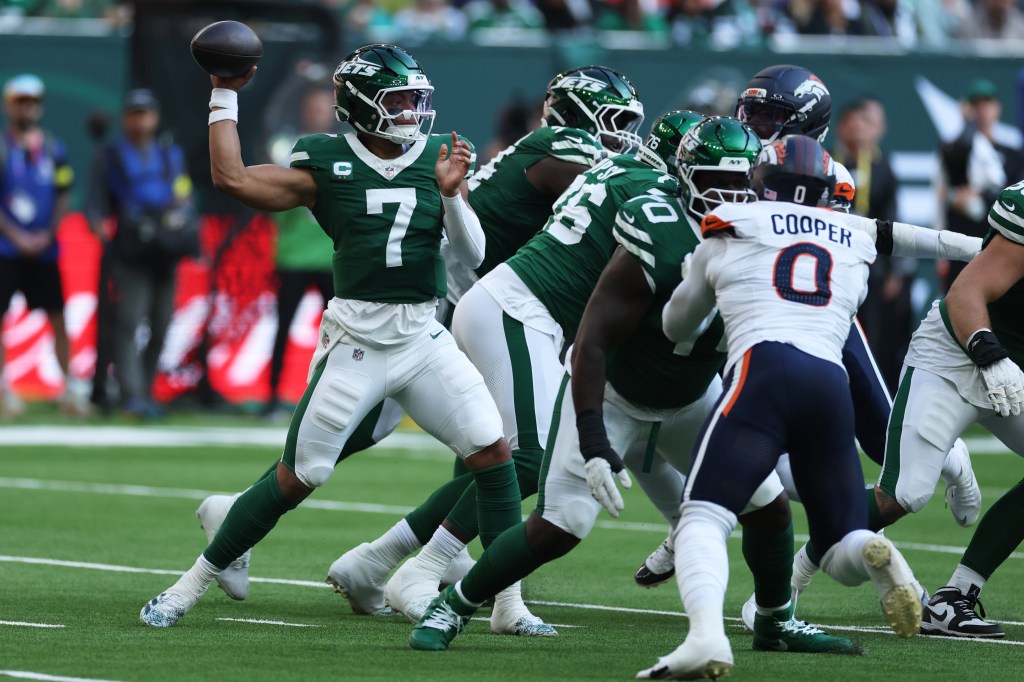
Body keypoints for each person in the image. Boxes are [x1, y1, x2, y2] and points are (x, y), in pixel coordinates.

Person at [407, 118, 855, 656]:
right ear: (684, 176)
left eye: (743, 185)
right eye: (716, 182)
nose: (731, 197)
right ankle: (455, 603)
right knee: (563, 523)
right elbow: (592, 340)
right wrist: (595, 438)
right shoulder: (656, 225)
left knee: (768, 504)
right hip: (616, 392)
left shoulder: (766, 236)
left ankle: (775, 620)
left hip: (690, 397)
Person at [139, 43, 522, 627]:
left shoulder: (438, 155)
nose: (411, 112)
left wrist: (450, 194)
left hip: (423, 335)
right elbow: (232, 179)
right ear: (362, 104)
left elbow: (473, 255)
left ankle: (508, 605)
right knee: (301, 475)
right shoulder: (324, 159)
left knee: (495, 454)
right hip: (359, 339)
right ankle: (186, 587)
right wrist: (224, 94)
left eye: (417, 99)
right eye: (398, 99)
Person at [327, 66, 644, 633]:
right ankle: (403, 565)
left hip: (483, 302)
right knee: (512, 455)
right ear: (579, 114)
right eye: (616, 121)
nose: (623, 135)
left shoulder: (564, 154)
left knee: (490, 451)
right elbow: (613, 195)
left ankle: (441, 576)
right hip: (462, 303)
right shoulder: (559, 148)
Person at [641, 135, 921, 679]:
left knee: (704, 514)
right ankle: (875, 550)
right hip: (829, 386)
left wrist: (705, 283)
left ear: (760, 182)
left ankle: (704, 637)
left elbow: (676, 326)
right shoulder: (852, 244)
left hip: (763, 374)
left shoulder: (729, 226)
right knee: (841, 541)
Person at [865, 181, 1024, 638]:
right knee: (902, 497)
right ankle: (786, 576)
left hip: (1014, 365)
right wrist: (990, 354)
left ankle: (955, 597)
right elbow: (965, 293)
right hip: (956, 352)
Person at [85, 88, 196, 420]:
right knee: (129, 321)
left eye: (145, 113)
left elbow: (183, 193)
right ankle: (131, 394)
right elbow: (95, 203)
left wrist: (179, 218)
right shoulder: (111, 155)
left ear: (155, 117)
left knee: (161, 322)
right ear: (125, 118)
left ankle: (145, 391)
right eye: (134, 113)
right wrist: (103, 233)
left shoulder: (168, 155)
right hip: (131, 248)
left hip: (164, 246)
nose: (140, 119)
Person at [0, 73, 87, 418]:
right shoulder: (3, 147)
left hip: (44, 248)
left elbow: (63, 192)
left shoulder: (53, 148)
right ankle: (5, 390)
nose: (28, 108)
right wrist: (17, 236)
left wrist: (48, 233)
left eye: (33, 102)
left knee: (57, 317)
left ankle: (71, 390)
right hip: (6, 249)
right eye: (21, 101)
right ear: (10, 105)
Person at [261, 88, 337, 420]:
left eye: (323, 107)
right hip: (292, 255)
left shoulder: (343, 152)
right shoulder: (287, 152)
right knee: (282, 328)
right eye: (312, 107)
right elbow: (273, 204)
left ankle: (336, 400)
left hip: (331, 256)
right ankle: (271, 398)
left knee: (343, 335)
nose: (317, 112)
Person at [831, 96, 909, 394]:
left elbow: (891, 216)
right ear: (840, 127)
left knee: (871, 334)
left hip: (872, 264)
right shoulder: (828, 162)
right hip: (835, 258)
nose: (858, 130)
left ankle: (870, 392)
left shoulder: (882, 165)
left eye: (863, 123)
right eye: (851, 123)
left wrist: (894, 269)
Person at [937, 78, 1024, 293]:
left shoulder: (1012, 154)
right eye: (976, 106)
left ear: (997, 108)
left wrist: (980, 194)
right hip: (961, 243)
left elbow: (1012, 195)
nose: (982, 111)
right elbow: (942, 193)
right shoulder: (954, 149)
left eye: (987, 104)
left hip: (998, 243)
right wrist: (968, 125)